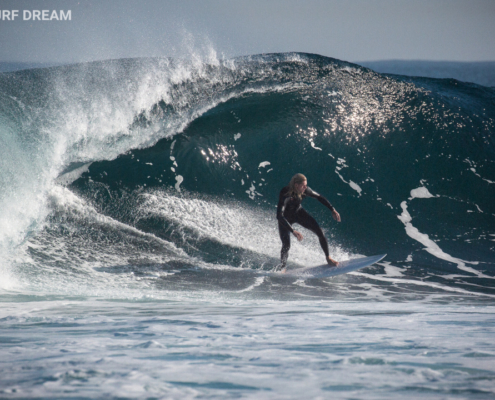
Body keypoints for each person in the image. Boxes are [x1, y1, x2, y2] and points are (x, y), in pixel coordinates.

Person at [276, 173, 341, 271]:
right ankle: (282, 268)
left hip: (298, 213)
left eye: (306, 185)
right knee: (286, 245)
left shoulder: (305, 190)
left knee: (320, 232)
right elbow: (279, 216)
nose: (306, 187)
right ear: (296, 185)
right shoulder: (286, 193)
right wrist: (293, 230)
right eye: (303, 185)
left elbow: (319, 197)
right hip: (285, 218)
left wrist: (332, 209)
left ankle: (328, 257)